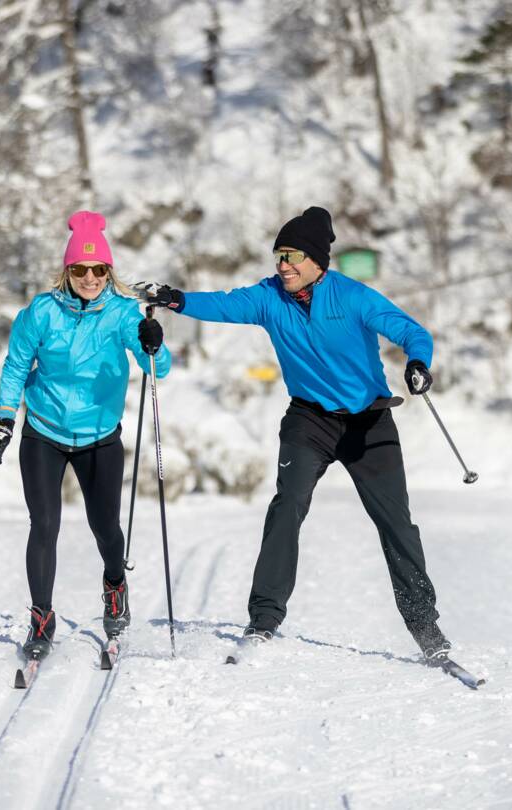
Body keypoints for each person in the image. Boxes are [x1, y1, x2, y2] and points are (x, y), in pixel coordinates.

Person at [142, 206, 452, 660]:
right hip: (310, 421)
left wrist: (419, 361)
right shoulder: (270, 298)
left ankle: (427, 630)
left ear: (317, 260)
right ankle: (264, 620)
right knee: (288, 505)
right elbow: (223, 303)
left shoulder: (352, 297)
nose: (282, 264)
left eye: (291, 255)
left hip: (369, 421)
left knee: (396, 522)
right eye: (278, 256)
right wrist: (175, 299)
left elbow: (408, 330)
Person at [0, 210, 171, 661]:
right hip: (44, 432)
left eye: (98, 269)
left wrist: (153, 342)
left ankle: (114, 584)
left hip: (99, 436)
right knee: (44, 525)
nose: (89, 277)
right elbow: (15, 367)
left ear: (109, 272)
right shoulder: (40, 313)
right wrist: (4, 420)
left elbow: (158, 370)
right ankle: (41, 619)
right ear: (67, 271)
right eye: (81, 269)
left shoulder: (124, 313)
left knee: (105, 527)